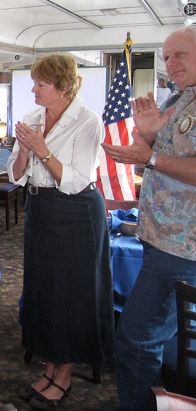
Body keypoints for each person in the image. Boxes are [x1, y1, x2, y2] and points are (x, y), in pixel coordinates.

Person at [7, 54, 114, 409]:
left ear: (64, 87)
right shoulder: (32, 118)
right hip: (39, 208)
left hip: (76, 211)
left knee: (69, 295)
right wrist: (24, 150)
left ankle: (63, 377)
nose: (33, 88)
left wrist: (43, 149)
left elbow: (76, 179)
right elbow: (16, 174)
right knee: (42, 290)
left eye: (40, 83)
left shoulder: (88, 121)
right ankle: (49, 368)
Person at [102, 26, 196, 411]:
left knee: (136, 340)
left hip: (182, 249)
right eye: (167, 56)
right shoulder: (179, 98)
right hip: (161, 241)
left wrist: (150, 157)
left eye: (180, 55)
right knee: (144, 339)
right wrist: (150, 140)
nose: (170, 63)